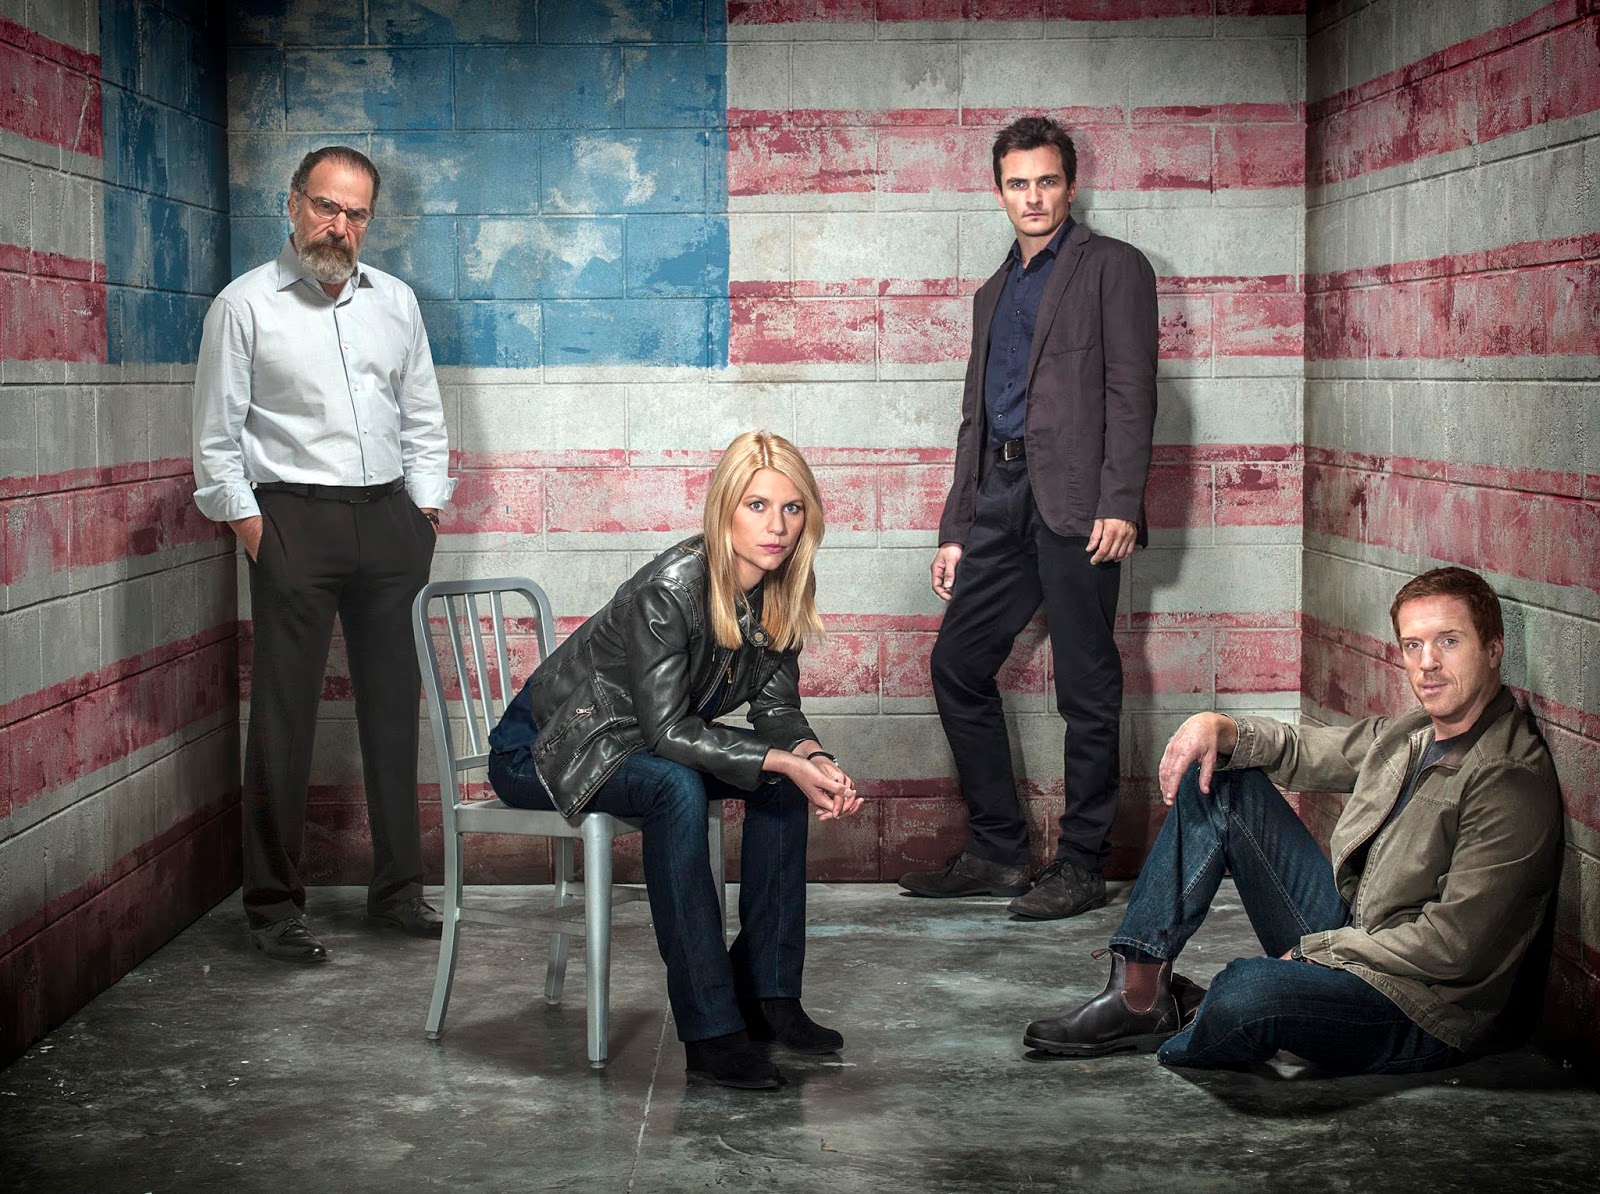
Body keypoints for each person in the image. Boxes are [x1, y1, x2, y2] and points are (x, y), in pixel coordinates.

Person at [1023, 567, 1562, 1075]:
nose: (1428, 664)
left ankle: (1203, 1015)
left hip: (1416, 1004)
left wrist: (1318, 951)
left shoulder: (1506, 778)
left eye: (1449, 641)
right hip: (1358, 938)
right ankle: (1138, 993)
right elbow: (1313, 751)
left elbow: (1452, 946)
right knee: (1222, 779)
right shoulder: (1418, 730)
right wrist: (1222, 728)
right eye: (1413, 645)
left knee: (1247, 991)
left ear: (1493, 650)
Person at [487, 431, 864, 1091]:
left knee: (780, 786)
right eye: (757, 506)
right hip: (547, 748)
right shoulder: (674, 587)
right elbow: (666, 732)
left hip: (635, 742)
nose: (777, 527)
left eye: (792, 508)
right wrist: (783, 759)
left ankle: (769, 994)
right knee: (675, 787)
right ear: (724, 510)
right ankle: (711, 1030)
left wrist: (813, 759)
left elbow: (777, 711)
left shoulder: (782, 584)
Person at [192, 146, 454, 963]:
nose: (339, 226)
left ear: (370, 221)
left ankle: (399, 892)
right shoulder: (243, 306)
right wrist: (259, 537)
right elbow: (216, 444)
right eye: (325, 206)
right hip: (291, 522)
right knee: (282, 718)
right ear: (293, 203)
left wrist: (424, 514)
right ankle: (273, 907)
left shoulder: (396, 302)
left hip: (389, 523)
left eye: (356, 214)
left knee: (394, 711)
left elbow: (423, 415)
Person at [899, 115, 1159, 920]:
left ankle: (1081, 864)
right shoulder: (992, 292)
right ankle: (1000, 851)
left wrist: (1120, 501)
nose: (1033, 197)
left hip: (1079, 505)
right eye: (1018, 184)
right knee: (957, 664)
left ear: (1071, 187)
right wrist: (956, 527)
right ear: (999, 193)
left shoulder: (1113, 267)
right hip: (999, 499)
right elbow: (973, 417)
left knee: (1085, 684)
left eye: (1047, 181)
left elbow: (1132, 392)